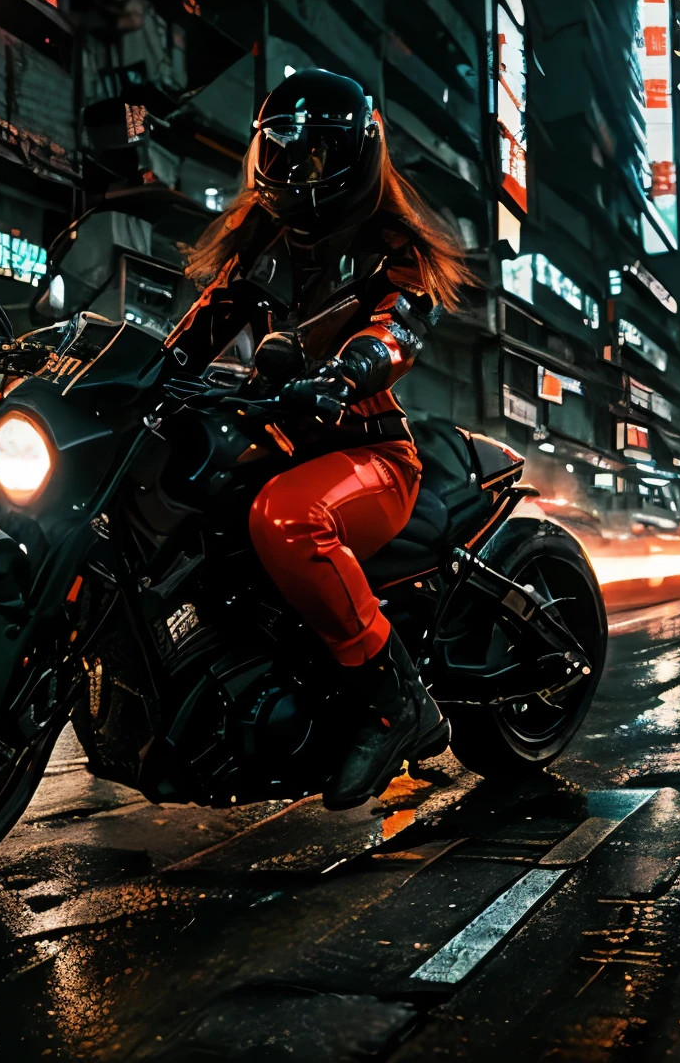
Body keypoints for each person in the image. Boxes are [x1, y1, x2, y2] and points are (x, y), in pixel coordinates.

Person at [171, 69, 474, 810]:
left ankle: (394, 699)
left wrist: (349, 370)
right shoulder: (259, 245)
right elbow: (194, 336)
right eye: (284, 151)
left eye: (316, 153)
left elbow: (397, 329)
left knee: (287, 518)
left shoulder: (391, 249)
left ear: (357, 156)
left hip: (369, 451)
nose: (297, 169)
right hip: (279, 439)